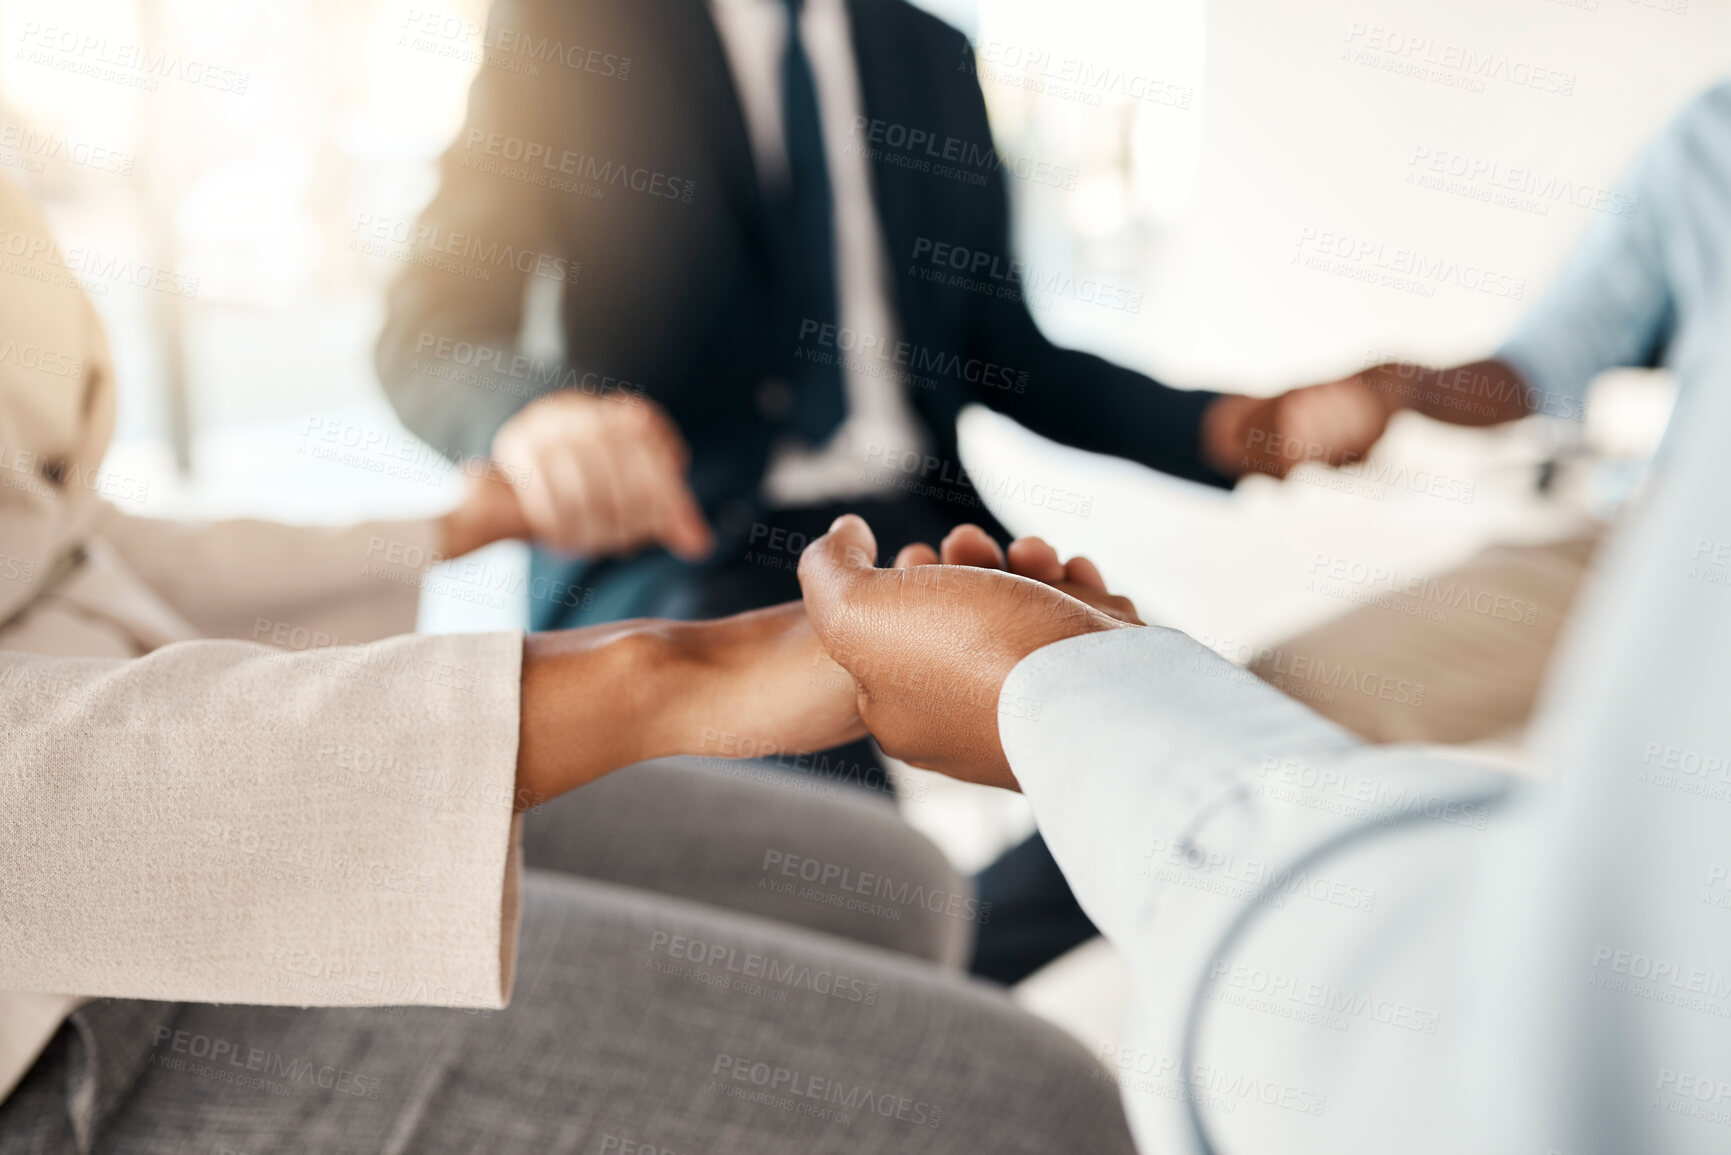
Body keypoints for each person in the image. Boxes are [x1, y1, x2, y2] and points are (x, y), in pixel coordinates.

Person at [0, 173, 1138, 1153]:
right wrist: (666, 680)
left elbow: (56, 536)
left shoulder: (918, 45)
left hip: (167, 730)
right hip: (57, 994)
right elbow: (436, 325)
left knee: (903, 885)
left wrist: (450, 526)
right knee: (1027, 1107)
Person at [375, 0, 1367, 983]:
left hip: (920, 532)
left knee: (1198, 765)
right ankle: (892, 983)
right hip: (690, 543)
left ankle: (911, 985)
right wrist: (534, 418)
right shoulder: (575, 28)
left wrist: (1229, 428)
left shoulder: (929, 51)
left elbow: (1004, 350)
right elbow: (430, 326)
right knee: (854, 872)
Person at [794, 331, 1731, 1152]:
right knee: (1279, 688)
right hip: (1666, 532)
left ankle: (954, 924)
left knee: (1028, 1090)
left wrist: (1060, 689)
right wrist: (1371, 392)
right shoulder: (1705, 145)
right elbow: (1554, 352)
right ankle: (943, 945)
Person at [1246, 79, 1731, 746]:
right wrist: (1402, 388)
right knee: (1275, 702)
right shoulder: (1708, 133)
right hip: (1666, 554)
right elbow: (1551, 356)